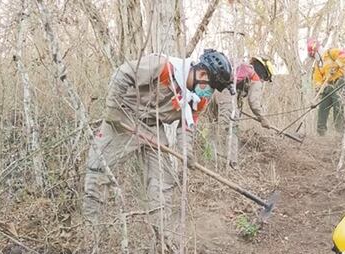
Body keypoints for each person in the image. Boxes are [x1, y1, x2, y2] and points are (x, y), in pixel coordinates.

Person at [82, 49, 233, 225]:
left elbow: (186, 127)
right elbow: (123, 73)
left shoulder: (199, 100)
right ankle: (90, 229)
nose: (210, 92)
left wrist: (187, 152)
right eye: (211, 85)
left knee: (164, 181)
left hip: (154, 127)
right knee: (99, 170)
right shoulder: (164, 67)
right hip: (124, 117)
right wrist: (113, 110)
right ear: (202, 73)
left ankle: (163, 235)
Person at [308, 40, 345, 135]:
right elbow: (317, 78)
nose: (314, 57)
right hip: (328, 85)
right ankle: (321, 133)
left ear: (317, 50)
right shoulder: (318, 64)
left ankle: (341, 132)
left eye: (313, 54)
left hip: (340, 82)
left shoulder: (331, 52)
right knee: (322, 107)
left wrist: (336, 66)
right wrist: (318, 88)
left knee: (338, 105)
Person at [233, 56, 278, 131]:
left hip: (215, 90)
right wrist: (263, 118)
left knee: (213, 124)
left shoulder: (243, 68)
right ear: (264, 73)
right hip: (226, 96)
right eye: (266, 78)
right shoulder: (255, 77)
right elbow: (253, 102)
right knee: (232, 127)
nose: (263, 81)